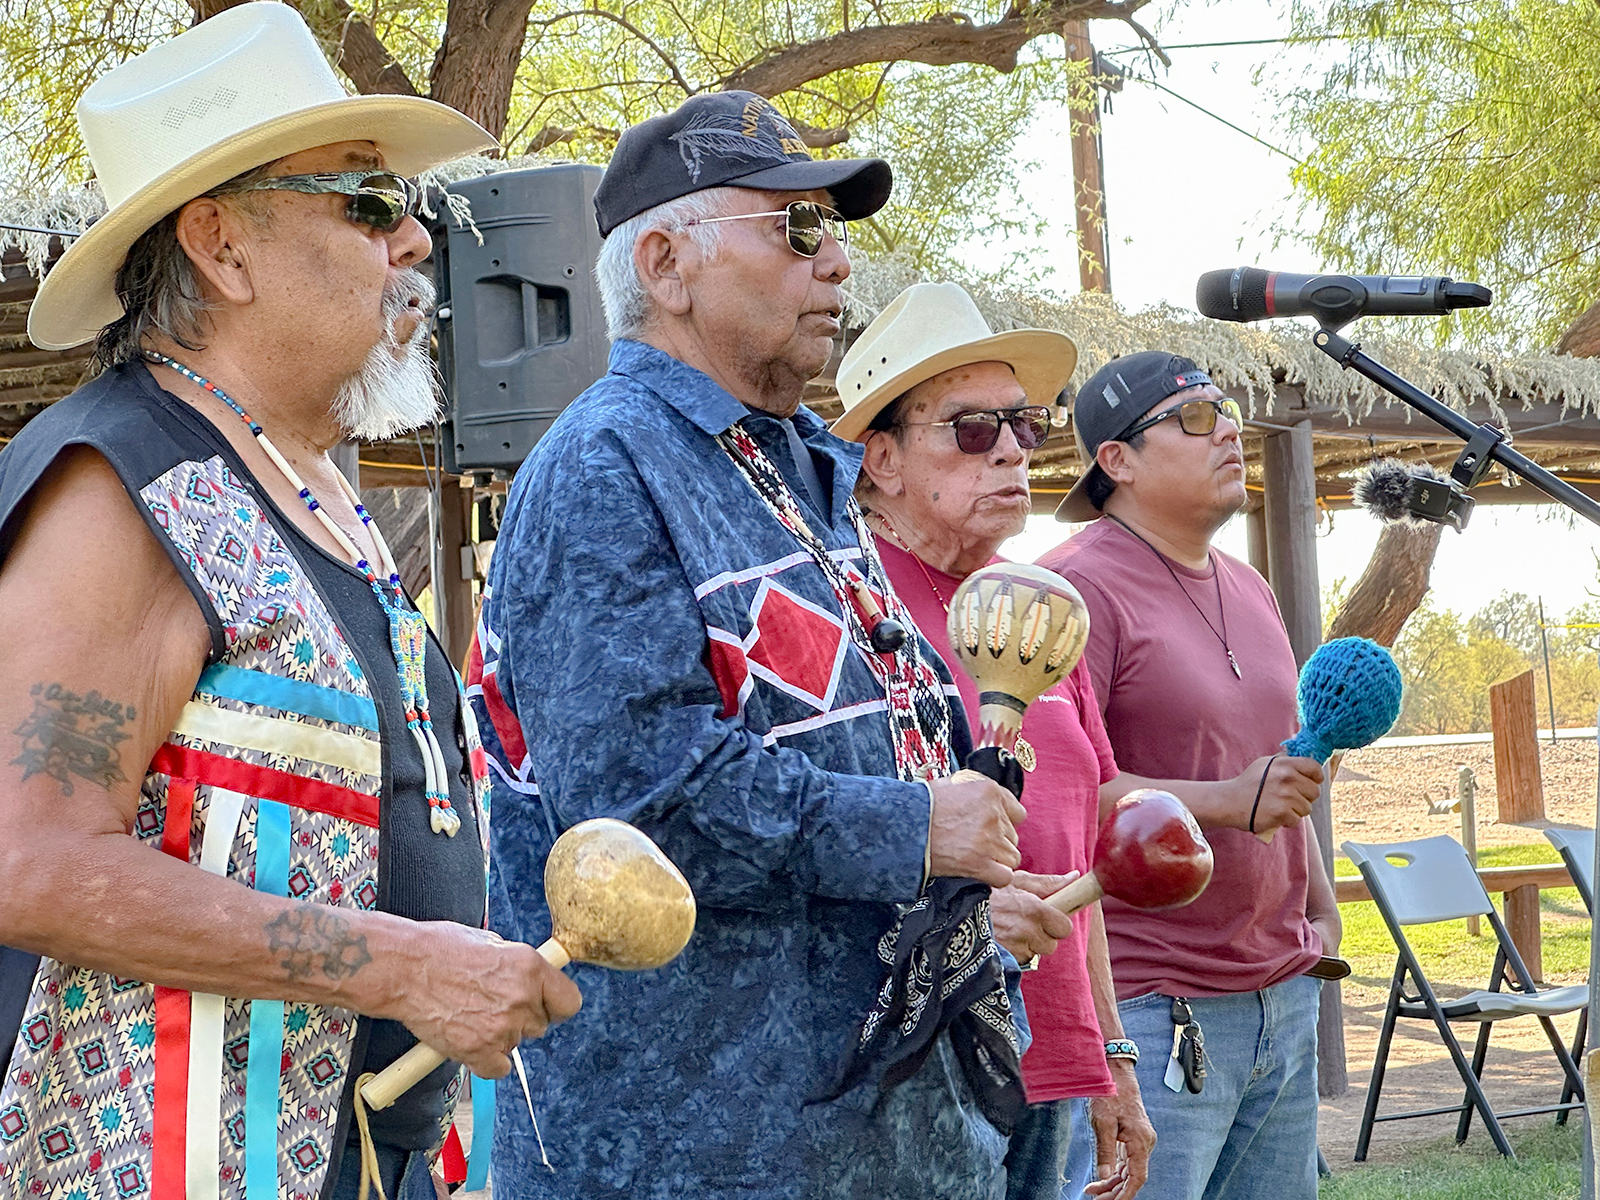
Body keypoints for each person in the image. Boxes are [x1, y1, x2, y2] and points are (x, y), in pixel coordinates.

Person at [0, 8, 581, 1199]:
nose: (415, 240)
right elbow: (30, 862)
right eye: (369, 203)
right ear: (223, 244)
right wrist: (397, 966)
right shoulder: (121, 483)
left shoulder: (304, 476)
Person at [472, 92, 1033, 1199]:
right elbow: (637, 809)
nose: (836, 267)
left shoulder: (800, 468)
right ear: (670, 264)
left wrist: (961, 887)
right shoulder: (603, 470)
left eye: (836, 231)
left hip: (883, 1134)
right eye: (797, 230)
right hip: (706, 1148)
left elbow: (858, 752)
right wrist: (916, 828)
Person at [834, 282, 1156, 1200]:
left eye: (1026, 424)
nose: (1014, 448)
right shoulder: (845, 608)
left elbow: (1077, 853)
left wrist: (1109, 1056)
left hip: (1045, 1066)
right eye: (974, 429)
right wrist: (969, 925)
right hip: (909, 1066)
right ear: (883, 457)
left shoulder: (1044, 610)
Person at [1039, 351, 1340, 1200]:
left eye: (1230, 409)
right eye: (1196, 418)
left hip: (1283, 999)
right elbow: (1051, 798)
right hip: (1155, 1007)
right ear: (1117, 461)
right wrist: (1223, 805)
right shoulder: (1071, 590)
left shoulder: (1248, 585)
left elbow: (1286, 764)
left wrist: (1319, 920)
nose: (1231, 429)